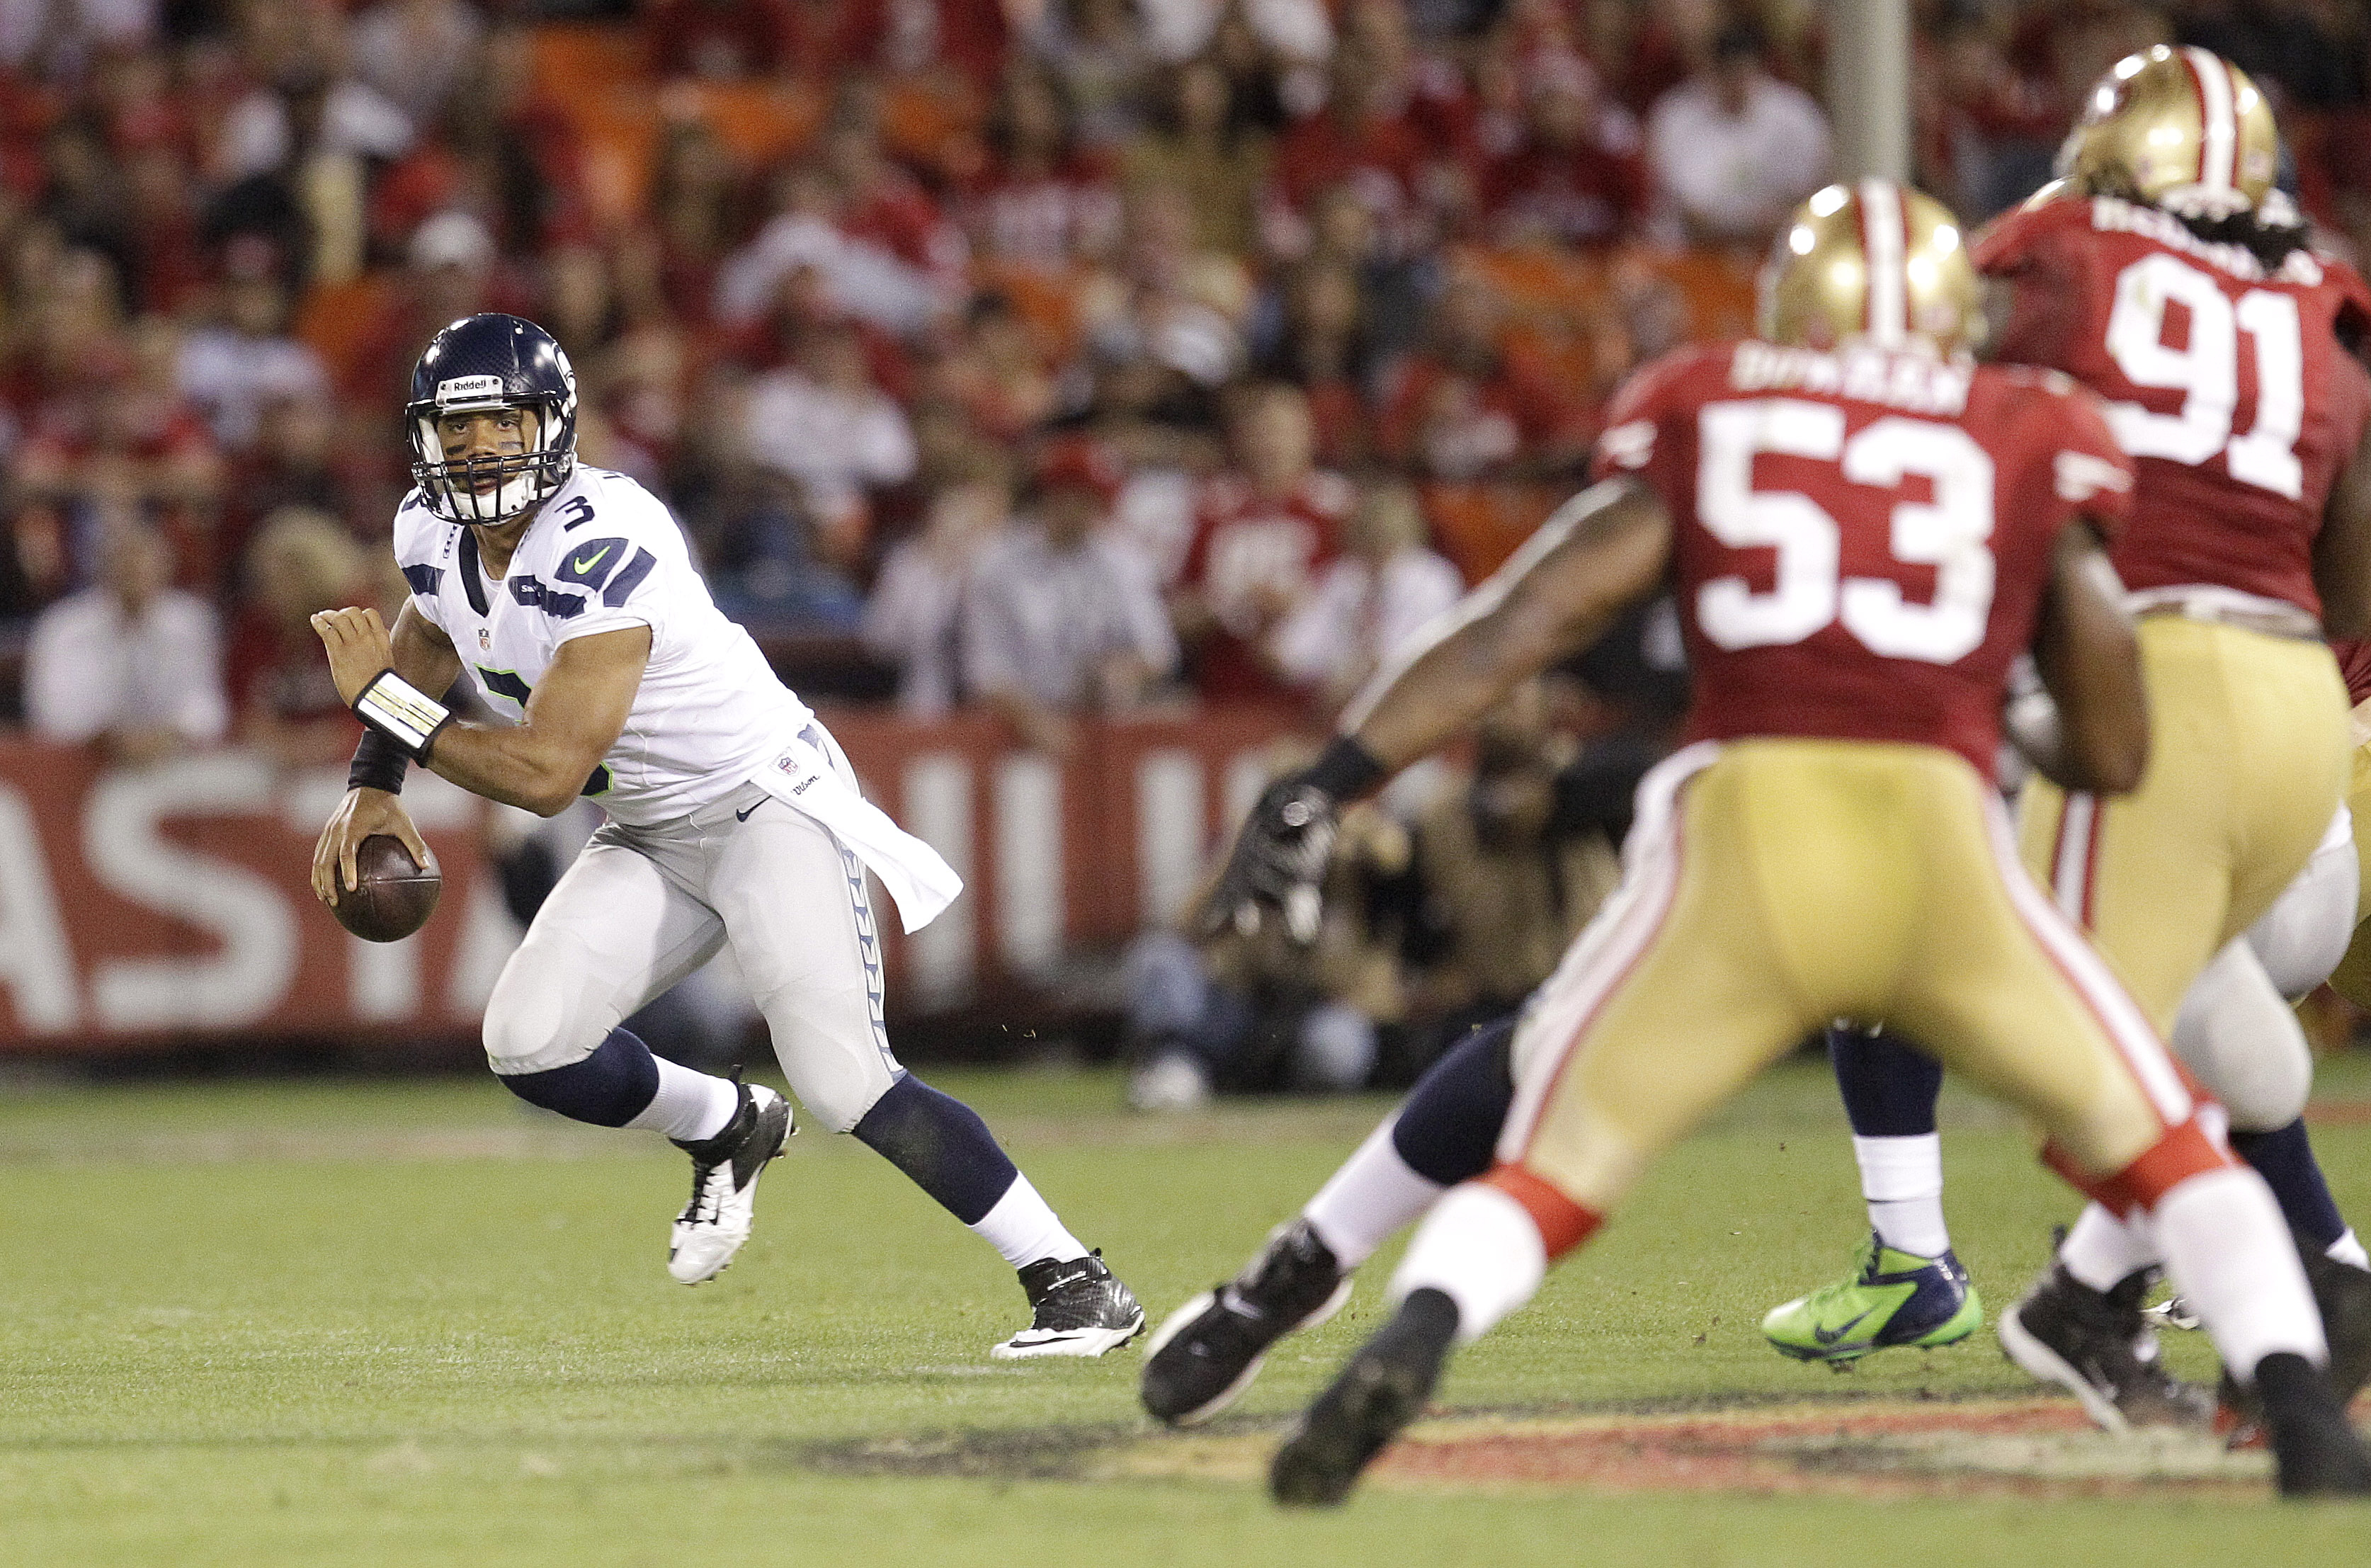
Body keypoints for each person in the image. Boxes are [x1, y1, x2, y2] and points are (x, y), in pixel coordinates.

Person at [1147, 179, 2371, 1501]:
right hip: (1963, 837)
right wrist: (2010, 714)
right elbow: (2116, 744)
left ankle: (1406, 1313)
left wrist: (1327, 780)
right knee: (2174, 1140)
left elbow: (1528, 620)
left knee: (1554, 1135)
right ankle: (2302, 1409)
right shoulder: (2034, 424)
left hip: (1751, 826)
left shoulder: (1711, 398)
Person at [305, 313, 1143, 1360]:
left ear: (554, 427)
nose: (478, 449)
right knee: (529, 1039)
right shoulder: (429, 530)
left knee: (844, 1079)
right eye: (456, 428)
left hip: (761, 805)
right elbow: (433, 628)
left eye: (503, 423)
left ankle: (1075, 1281)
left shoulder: (605, 539)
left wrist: (381, 704)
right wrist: (374, 779)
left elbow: (546, 774)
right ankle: (728, 1123)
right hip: (649, 825)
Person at [1764, 47, 2371, 1431]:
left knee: (1915, 910)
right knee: (2215, 1042)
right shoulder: (2317, 296)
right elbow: (2350, 587)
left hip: (2157, 718)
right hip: (2300, 762)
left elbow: (1897, 354)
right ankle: (2300, 1266)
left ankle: (2073, 1283)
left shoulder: (2061, 252)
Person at [25, 521, 228, 764]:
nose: (135, 577)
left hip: (172, 757)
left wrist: (168, 734)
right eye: (125, 567)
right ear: (103, 571)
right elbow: (51, 713)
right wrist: (113, 739)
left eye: (144, 569)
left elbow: (208, 706)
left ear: (166, 570)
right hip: (88, 761)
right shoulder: (63, 626)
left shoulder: (191, 621)